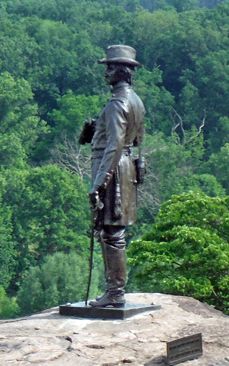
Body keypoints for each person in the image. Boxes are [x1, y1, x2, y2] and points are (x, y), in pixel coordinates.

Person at [84, 45, 145, 308]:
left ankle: (115, 292)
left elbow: (115, 145)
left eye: (109, 68)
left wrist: (99, 183)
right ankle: (114, 290)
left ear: (120, 72)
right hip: (125, 168)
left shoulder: (117, 104)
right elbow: (135, 139)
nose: (105, 73)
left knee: (111, 234)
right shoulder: (135, 100)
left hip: (114, 170)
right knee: (112, 232)